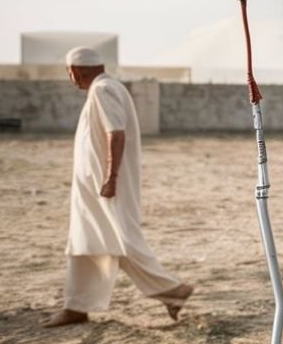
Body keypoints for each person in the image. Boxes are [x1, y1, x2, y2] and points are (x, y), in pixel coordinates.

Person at [42, 47, 193, 327]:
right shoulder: (106, 87)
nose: (70, 78)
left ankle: (173, 290)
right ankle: (77, 306)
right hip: (94, 188)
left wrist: (110, 178)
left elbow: (116, 132)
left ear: (76, 70)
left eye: (69, 72)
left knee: (122, 240)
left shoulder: (103, 90)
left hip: (106, 187)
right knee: (87, 240)